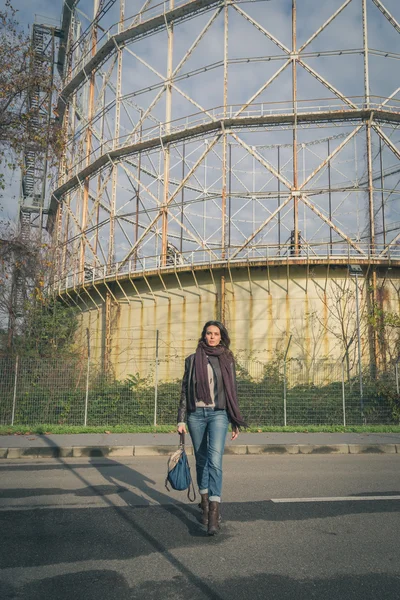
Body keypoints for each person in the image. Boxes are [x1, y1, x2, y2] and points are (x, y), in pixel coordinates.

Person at [177, 320, 246, 535]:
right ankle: (204, 504)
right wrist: (180, 419)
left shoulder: (226, 359)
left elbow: (232, 391)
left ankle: (214, 513)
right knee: (201, 460)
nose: (212, 337)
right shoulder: (191, 360)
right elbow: (184, 391)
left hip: (218, 414)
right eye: (209, 333)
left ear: (221, 336)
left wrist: (234, 420)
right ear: (204, 335)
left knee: (215, 460)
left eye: (216, 334)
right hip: (195, 415)